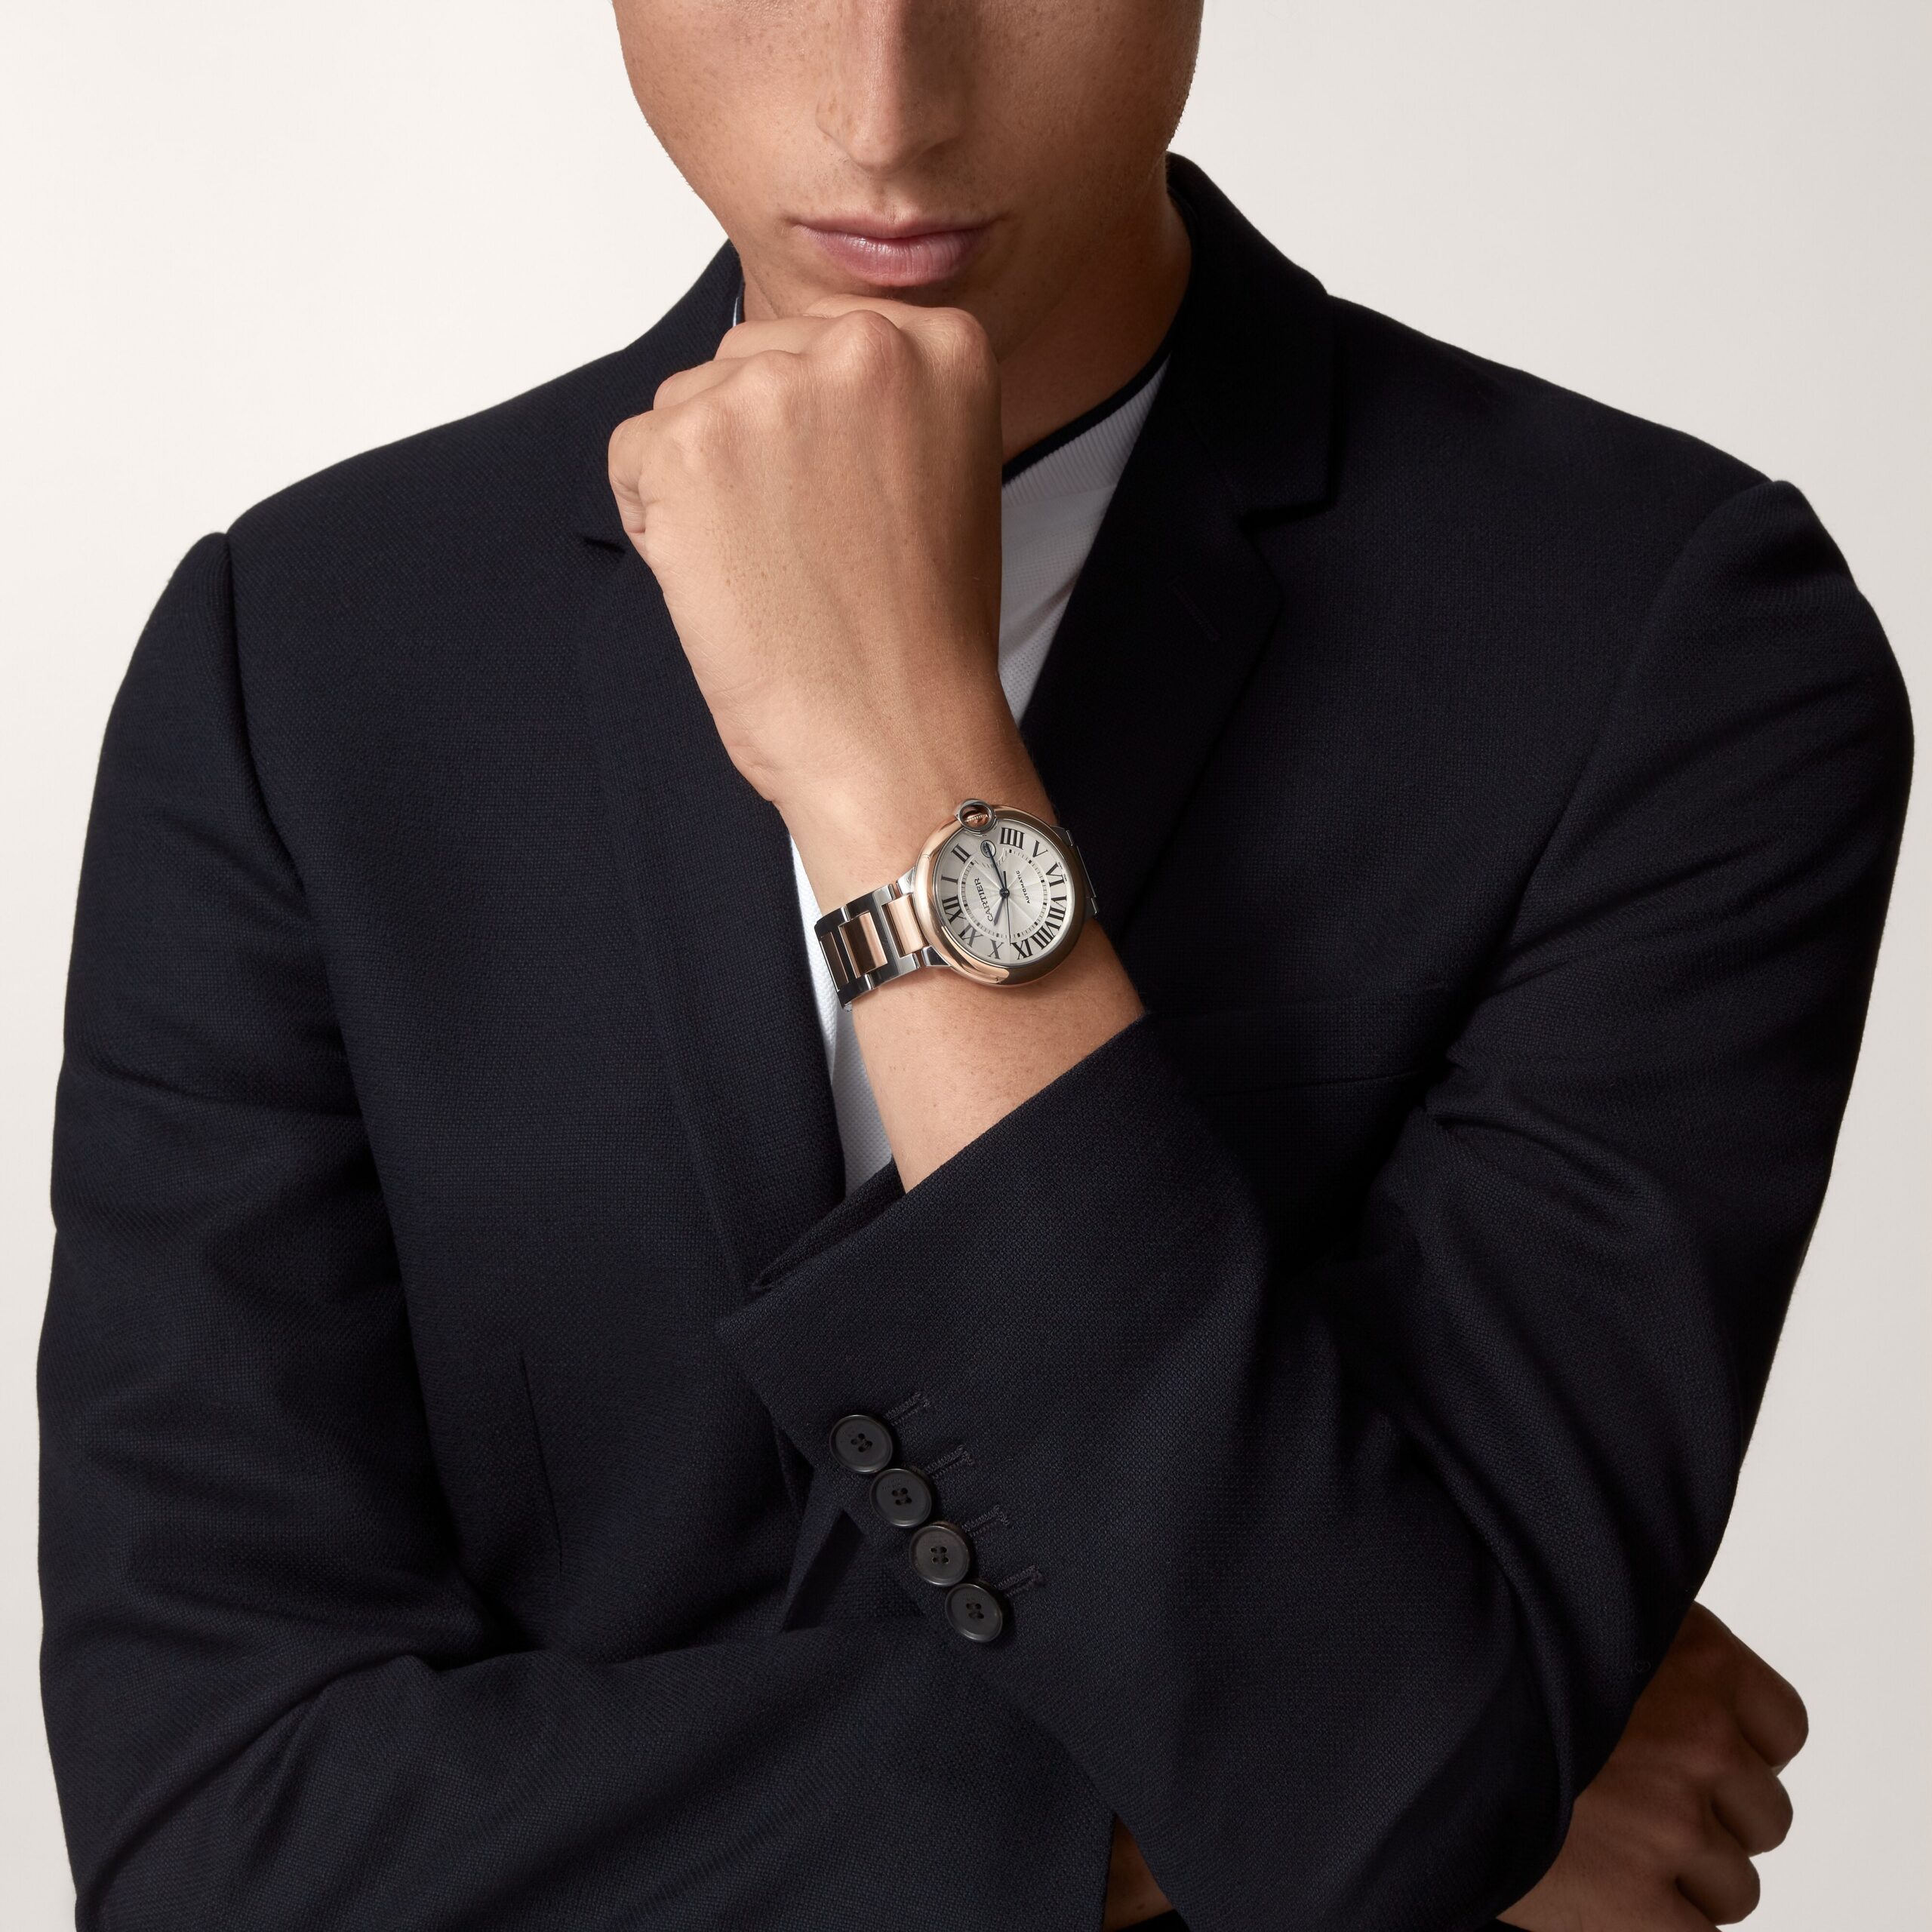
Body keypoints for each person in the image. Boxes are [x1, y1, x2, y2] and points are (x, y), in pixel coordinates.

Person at [38, 5, 1906, 1930]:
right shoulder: (300, 660)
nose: (885, 110)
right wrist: (1231, 1809)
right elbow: (208, 1837)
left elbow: (1367, 1777)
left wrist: (897, 761)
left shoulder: (1668, 642)